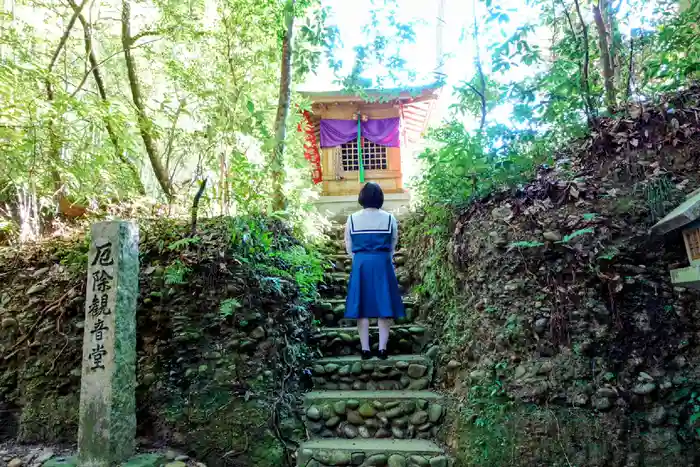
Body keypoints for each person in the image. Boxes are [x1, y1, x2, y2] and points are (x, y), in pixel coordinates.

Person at [344, 182, 405, 360]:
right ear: (380, 197)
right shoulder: (389, 218)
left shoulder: (352, 218)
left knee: (361, 306)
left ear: (362, 197)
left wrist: (358, 258)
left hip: (361, 262)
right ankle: (383, 349)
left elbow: (348, 244)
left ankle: (365, 349)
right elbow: (393, 241)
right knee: (384, 305)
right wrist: (386, 256)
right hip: (382, 262)